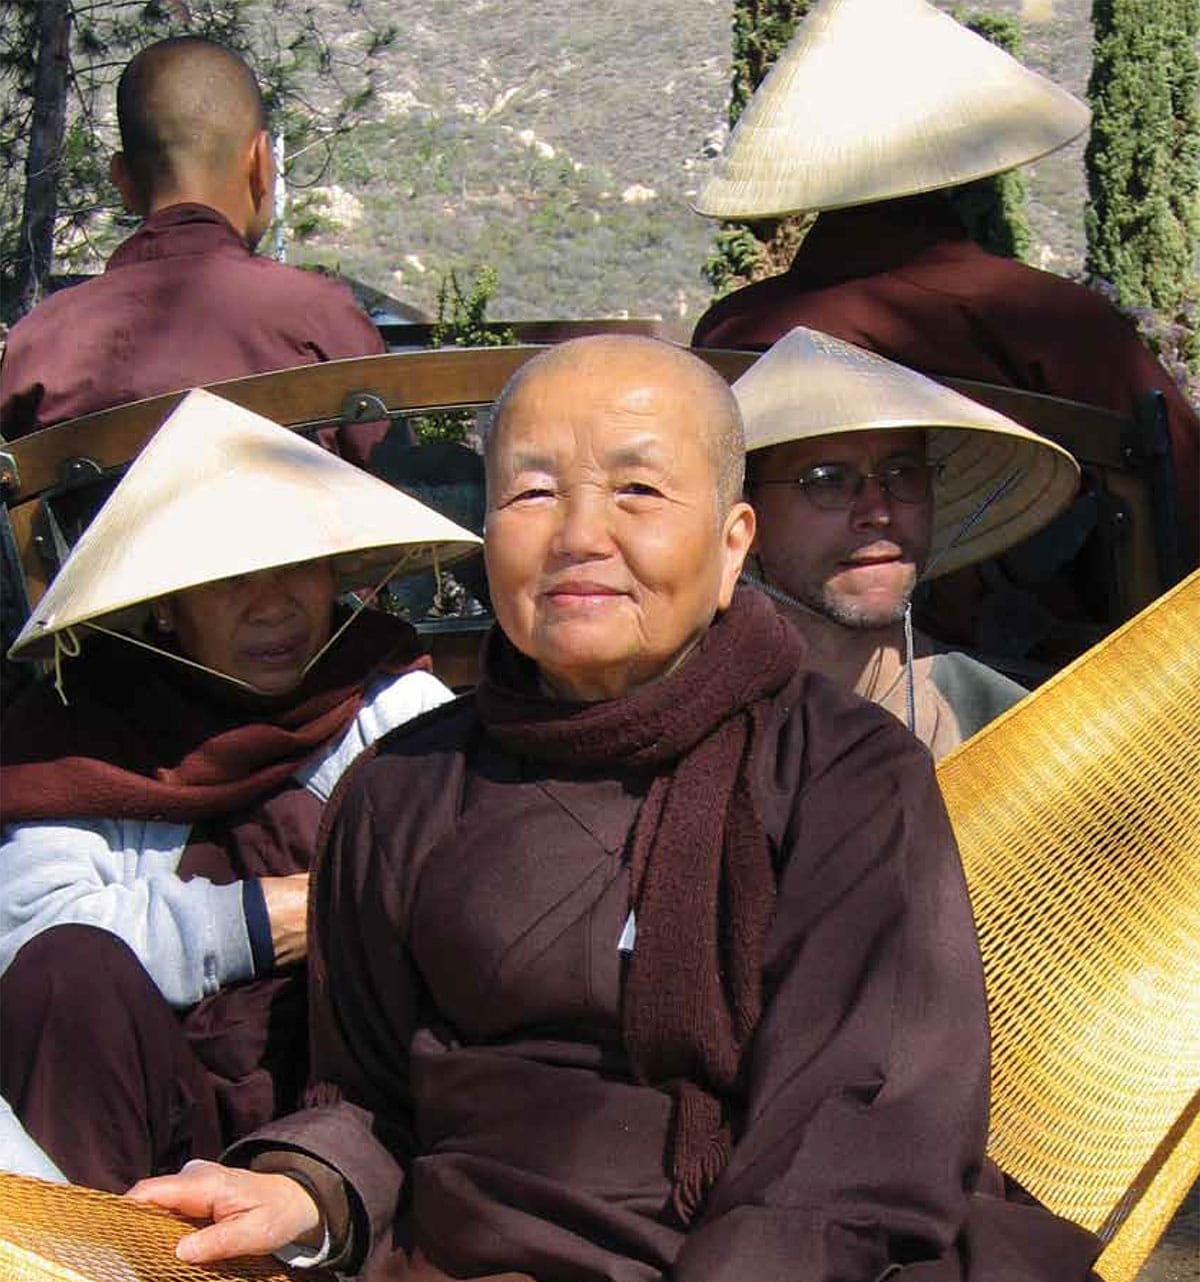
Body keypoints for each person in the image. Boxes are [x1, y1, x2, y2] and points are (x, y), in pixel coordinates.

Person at [129, 336, 1100, 1282]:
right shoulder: (397, 787)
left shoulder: (847, 772)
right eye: (533, 491)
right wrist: (313, 1186)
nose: (579, 535)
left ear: (731, 547)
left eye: (636, 490)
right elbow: (371, 1098)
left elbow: (859, 1119)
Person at [0, 388, 480, 1193]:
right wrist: (265, 920)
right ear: (163, 608)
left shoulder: (394, 709)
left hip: (352, 1117)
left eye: (299, 567)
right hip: (140, 1118)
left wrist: (333, 916)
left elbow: (469, 891)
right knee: (68, 973)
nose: (274, 605)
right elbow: (30, 932)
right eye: (229, 579)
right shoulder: (80, 734)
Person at [690, 0, 1200, 569]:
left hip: (786, 624)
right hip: (1051, 650)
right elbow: (1181, 498)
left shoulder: (733, 328)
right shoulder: (1057, 325)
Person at [0, 37, 387, 467]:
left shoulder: (37, 345)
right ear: (261, 163)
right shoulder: (321, 318)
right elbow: (391, 480)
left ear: (122, 180)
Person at [735, 325, 1080, 758]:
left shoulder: (1005, 726)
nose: (877, 512)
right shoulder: (689, 724)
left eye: (902, 474)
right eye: (827, 482)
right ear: (745, 525)